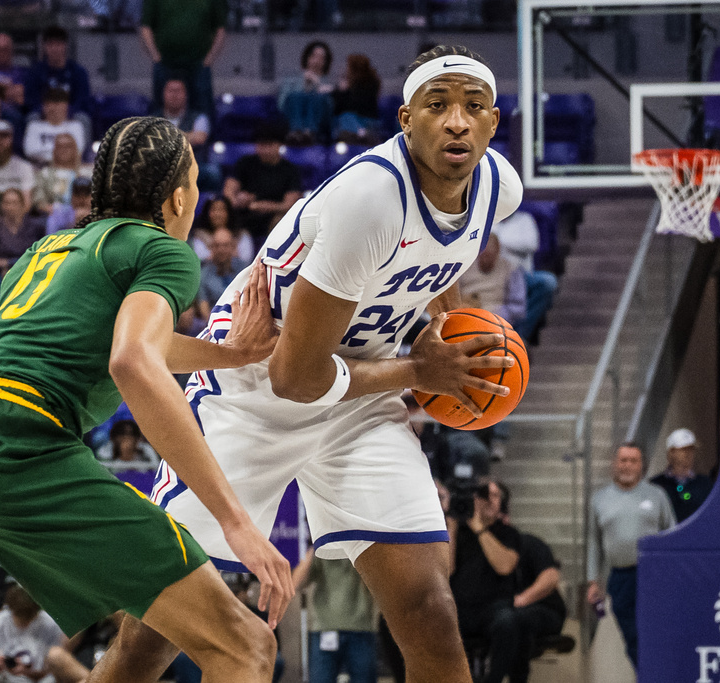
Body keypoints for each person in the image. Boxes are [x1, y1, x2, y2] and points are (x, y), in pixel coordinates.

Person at [107, 44, 522, 683]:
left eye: (472, 107)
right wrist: (422, 372)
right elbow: (295, 378)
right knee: (152, 639)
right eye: (438, 106)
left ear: (494, 122)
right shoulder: (370, 200)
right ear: (406, 121)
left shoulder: (499, 188)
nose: (457, 122)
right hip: (258, 384)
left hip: (362, 390)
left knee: (431, 612)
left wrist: (446, 331)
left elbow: (444, 263)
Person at [0, 116, 293, 683]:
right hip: (5, 437)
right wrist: (235, 521)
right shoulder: (164, 251)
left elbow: (119, 339)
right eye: (195, 183)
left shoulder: (44, 251)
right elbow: (131, 360)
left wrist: (229, 354)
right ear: (176, 198)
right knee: (244, 646)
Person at [587, 443, 676, 670]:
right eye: (623, 460)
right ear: (614, 465)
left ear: (641, 466)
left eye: (633, 461)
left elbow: (672, 534)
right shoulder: (600, 499)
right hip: (621, 577)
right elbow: (594, 542)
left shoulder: (657, 495)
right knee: (632, 637)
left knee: (657, 635)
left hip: (654, 577)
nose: (627, 465)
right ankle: (646, 674)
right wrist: (593, 581)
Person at [448, 479, 521, 683]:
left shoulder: (508, 533)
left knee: (508, 622)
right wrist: (452, 525)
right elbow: (446, 571)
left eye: (495, 495)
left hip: (494, 608)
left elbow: (505, 566)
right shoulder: (458, 533)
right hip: (459, 609)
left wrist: (479, 527)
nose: (488, 500)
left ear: (502, 503)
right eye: (483, 496)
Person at [292, 549, 377, 683]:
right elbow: (295, 583)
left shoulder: (363, 546)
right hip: (324, 628)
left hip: (361, 628)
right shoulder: (321, 550)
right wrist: (314, 547)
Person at [0, 585, 88, 683]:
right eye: (19, 617)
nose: (24, 623)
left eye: (28, 617)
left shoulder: (50, 623)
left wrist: (26, 672)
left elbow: (54, 672)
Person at [139, 0, 225, 117]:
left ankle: (204, 135)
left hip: (199, 64)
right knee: (161, 111)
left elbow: (220, 29)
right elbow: (146, 27)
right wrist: (155, 56)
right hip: (165, 63)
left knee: (203, 109)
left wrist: (209, 59)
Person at [222, 121, 303, 243]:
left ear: (279, 145)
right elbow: (228, 192)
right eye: (261, 145)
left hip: (273, 218)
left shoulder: (290, 170)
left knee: (281, 220)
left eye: (269, 145)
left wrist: (264, 206)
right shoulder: (245, 163)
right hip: (243, 216)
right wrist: (237, 201)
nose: (264, 150)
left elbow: (290, 204)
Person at [492, 209, 557, 344]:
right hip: (492, 275)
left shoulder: (525, 219)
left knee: (547, 282)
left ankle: (520, 334)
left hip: (521, 274)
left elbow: (531, 244)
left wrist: (498, 243)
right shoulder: (489, 219)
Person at [509, 532, 567, 683]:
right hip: (502, 613)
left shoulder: (528, 543)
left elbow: (551, 576)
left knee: (518, 621)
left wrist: (521, 600)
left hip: (543, 609)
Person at [455, 234, 526, 327]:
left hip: (497, 319)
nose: (485, 260)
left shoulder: (510, 268)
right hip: (466, 314)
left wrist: (500, 314)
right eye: (482, 255)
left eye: (489, 256)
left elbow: (518, 307)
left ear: (498, 252)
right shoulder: (462, 266)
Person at [24, 26, 92, 119]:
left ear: (65, 46)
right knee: (32, 117)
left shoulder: (78, 72)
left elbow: (82, 100)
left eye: (58, 44)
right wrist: (45, 110)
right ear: (44, 47)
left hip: (70, 115)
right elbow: (31, 99)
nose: (54, 49)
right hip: (44, 114)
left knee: (83, 118)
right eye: (50, 44)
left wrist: (67, 111)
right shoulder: (35, 72)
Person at [0, 188, 46, 284]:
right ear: (2, 205)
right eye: (7, 203)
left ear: (23, 205)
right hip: (3, 271)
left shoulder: (35, 227)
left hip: (30, 268)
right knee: (7, 275)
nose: (10, 207)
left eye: (15, 203)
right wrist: (10, 263)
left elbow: (41, 254)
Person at [649, 428, 713, 523]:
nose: (688, 454)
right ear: (671, 453)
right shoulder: (656, 484)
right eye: (683, 450)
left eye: (691, 449)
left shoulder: (705, 483)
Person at [278, 40, 334, 146]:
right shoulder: (291, 81)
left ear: (326, 62)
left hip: (321, 125)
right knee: (296, 96)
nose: (317, 61)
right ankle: (297, 132)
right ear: (307, 58)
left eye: (321, 58)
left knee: (317, 98)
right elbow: (281, 104)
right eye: (314, 56)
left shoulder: (329, 84)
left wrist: (318, 85)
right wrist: (303, 85)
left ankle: (309, 132)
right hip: (291, 121)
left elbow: (331, 109)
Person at [23, 89, 87, 166]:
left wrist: (45, 152)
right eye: (49, 105)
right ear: (44, 107)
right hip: (39, 166)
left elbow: (78, 150)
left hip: (69, 166)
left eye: (57, 104)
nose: (54, 109)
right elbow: (29, 151)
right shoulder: (34, 126)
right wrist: (61, 155)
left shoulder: (75, 126)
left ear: (65, 106)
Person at [196, 227, 244, 323]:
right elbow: (204, 308)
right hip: (215, 323)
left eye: (225, 245)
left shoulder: (244, 270)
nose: (221, 250)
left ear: (232, 246)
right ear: (211, 248)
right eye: (217, 246)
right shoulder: (203, 274)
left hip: (242, 320)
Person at [190, 195, 254, 265]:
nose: (218, 214)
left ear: (229, 212)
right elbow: (199, 260)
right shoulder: (199, 235)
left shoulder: (241, 235)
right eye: (214, 210)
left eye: (222, 210)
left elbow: (246, 260)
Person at [332, 54, 381, 144]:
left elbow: (354, 106)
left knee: (347, 116)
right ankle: (356, 134)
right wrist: (338, 91)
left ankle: (360, 133)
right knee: (344, 118)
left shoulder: (369, 86)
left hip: (365, 119)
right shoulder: (344, 86)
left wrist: (345, 92)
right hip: (348, 119)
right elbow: (337, 109)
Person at [96, 418, 160, 471]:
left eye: (131, 435)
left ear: (138, 438)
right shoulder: (105, 451)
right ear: (113, 437)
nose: (126, 438)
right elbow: (101, 470)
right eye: (122, 434)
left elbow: (156, 468)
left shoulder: (146, 449)